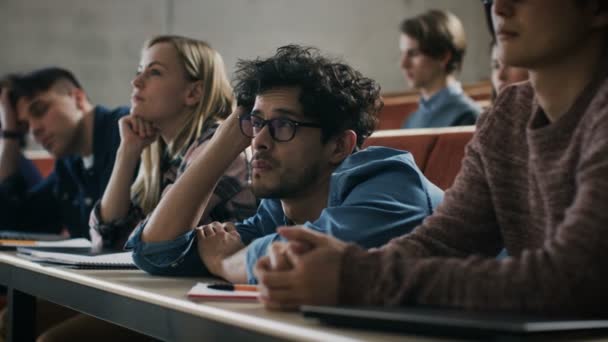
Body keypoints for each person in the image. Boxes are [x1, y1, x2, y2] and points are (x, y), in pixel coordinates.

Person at [255, 0, 608, 315]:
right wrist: (335, 267)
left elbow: (575, 277)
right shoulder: (508, 115)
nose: (498, 8)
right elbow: (442, 241)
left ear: (597, 8)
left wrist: (355, 277)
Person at [127, 45, 444, 285]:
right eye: (256, 122)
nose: (258, 141)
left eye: (283, 125)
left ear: (338, 145)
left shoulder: (392, 182)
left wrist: (226, 263)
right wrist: (223, 143)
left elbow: (304, 259)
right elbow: (157, 252)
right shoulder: (278, 210)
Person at [35, 35, 258, 342]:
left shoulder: (219, 147)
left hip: (205, 309)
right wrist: (127, 153)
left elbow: (147, 242)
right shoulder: (162, 154)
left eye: (154, 72)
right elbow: (105, 239)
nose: (136, 81)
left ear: (193, 92)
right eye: (140, 69)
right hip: (160, 295)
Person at [0, 67, 129, 237]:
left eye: (39, 110)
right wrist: (10, 134)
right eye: (24, 126)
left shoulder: (127, 132)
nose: (34, 131)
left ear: (77, 98)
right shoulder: (68, 164)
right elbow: (13, 223)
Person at [400, 9, 481, 128]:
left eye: (414, 53)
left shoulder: (468, 116)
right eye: (403, 53)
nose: (403, 64)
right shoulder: (410, 121)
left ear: (443, 56)